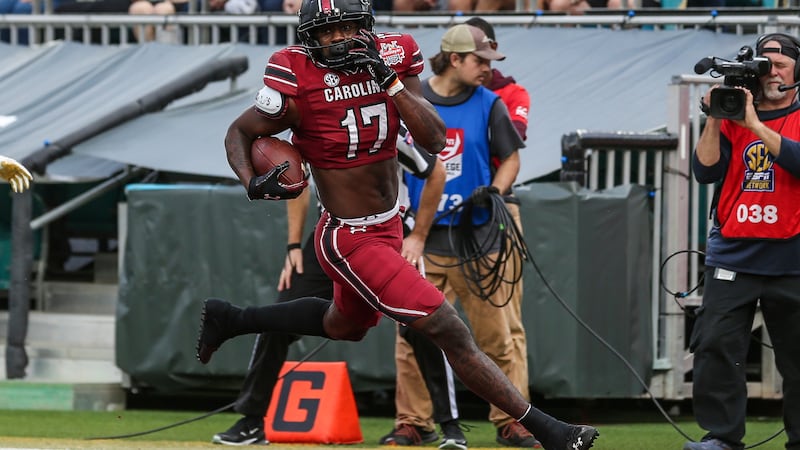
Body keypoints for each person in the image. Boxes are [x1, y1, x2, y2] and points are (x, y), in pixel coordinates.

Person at [196, 0, 599, 448]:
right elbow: (240, 131)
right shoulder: (296, 73)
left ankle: (231, 318)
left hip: (390, 225)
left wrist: (388, 81)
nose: (337, 39)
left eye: (347, 27)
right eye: (327, 32)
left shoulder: (394, 55)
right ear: (310, 36)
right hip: (348, 236)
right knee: (449, 328)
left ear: (365, 26)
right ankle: (550, 431)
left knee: (344, 325)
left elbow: (434, 139)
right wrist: (252, 183)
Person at [212, 130, 447, 446]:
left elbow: (435, 171)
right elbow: (295, 182)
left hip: (384, 234)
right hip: (333, 233)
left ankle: (451, 425)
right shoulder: (312, 124)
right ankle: (252, 419)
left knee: (421, 325)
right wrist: (294, 245)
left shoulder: (379, 126)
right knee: (277, 318)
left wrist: (417, 235)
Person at [381, 23, 537, 450]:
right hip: (421, 240)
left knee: (497, 338)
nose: (488, 68)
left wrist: (495, 192)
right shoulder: (410, 101)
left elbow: (510, 160)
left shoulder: (490, 104)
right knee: (411, 336)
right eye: (481, 60)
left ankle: (512, 421)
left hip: (478, 239)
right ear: (455, 59)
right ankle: (414, 422)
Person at [686, 32, 800, 450]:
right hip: (733, 254)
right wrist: (717, 116)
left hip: (792, 258)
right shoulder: (734, 114)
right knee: (715, 347)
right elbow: (705, 171)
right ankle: (722, 438)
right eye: (764, 63)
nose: (770, 72)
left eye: (779, 64)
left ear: (796, 71)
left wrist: (752, 123)